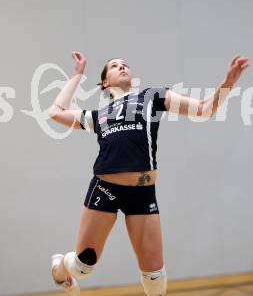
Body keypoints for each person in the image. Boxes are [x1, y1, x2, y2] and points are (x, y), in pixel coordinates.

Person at [49, 52, 249, 296]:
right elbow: (55, 111)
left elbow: (204, 109)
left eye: (125, 64)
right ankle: (61, 269)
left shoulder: (152, 97)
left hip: (142, 194)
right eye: (114, 66)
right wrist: (77, 76)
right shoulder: (97, 116)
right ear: (105, 83)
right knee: (83, 267)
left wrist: (228, 82)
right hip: (105, 189)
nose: (122, 66)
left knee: (155, 282)